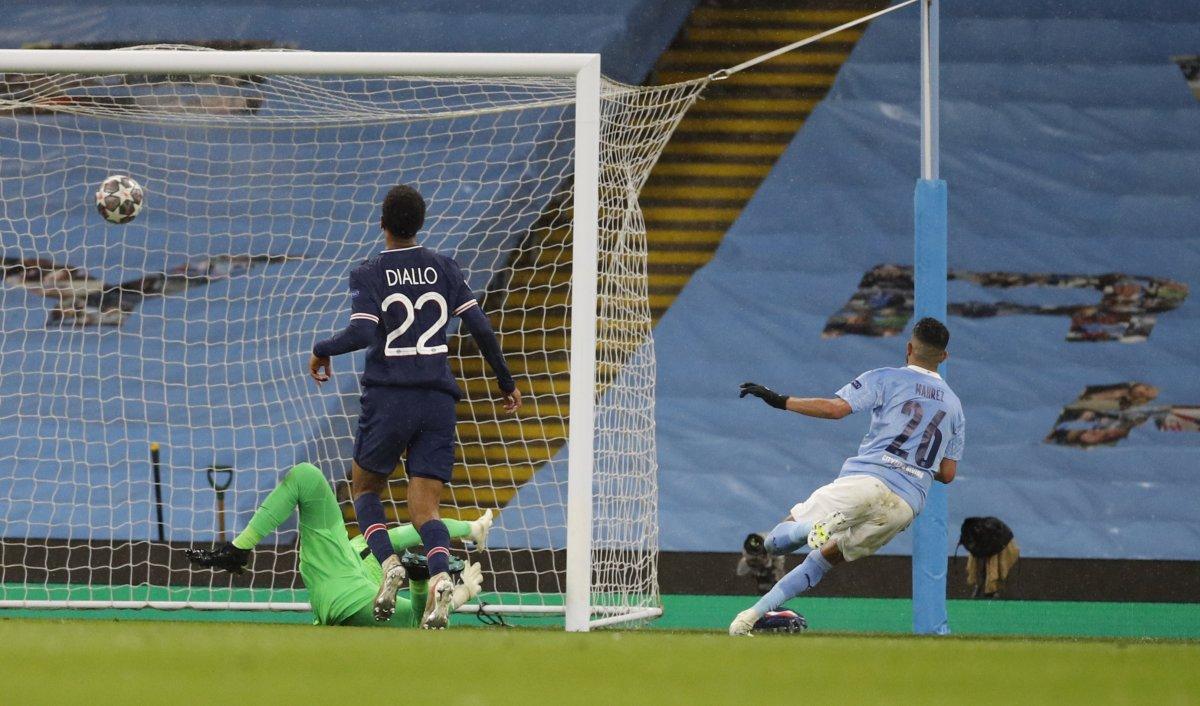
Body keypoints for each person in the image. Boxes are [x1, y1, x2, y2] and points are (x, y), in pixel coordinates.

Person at [308, 184, 521, 627]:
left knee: (365, 489)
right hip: (437, 400)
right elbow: (479, 326)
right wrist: (505, 381)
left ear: (382, 223)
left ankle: (389, 565)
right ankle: (442, 575)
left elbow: (364, 333)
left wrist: (322, 348)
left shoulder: (369, 272)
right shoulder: (444, 267)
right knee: (426, 510)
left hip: (389, 398)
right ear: (421, 223)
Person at [729, 317, 965, 636]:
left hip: (868, 480)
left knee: (779, 537)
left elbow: (834, 409)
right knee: (822, 561)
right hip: (905, 505)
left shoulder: (886, 378)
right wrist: (912, 464)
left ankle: (803, 531)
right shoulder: (955, 407)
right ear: (944, 357)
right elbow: (948, 473)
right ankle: (750, 617)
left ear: (909, 348)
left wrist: (778, 399)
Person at [186, 462, 491, 628]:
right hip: (358, 600)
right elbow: (420, 530)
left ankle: (240, 548)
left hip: (332, 579)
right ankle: (425, 581)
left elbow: (405, 533)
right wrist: (465, 583)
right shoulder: (367, 551)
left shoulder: (363, 543)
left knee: (305, 475)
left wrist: (470, 527)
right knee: (419, 620)